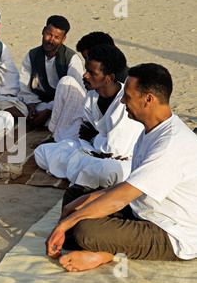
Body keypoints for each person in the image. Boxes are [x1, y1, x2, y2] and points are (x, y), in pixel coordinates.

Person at [46, 63, 197, 272]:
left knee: (85, 230)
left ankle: (105, 254)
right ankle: (99, 242)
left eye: (127, 96)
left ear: (148, 99)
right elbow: (129, 185)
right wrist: (80, 204)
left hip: (171, 231)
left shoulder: (171, 143)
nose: (123, 101)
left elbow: (120, 197)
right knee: (75, 196)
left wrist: (68, 222)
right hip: (142, 209)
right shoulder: (150, 131)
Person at [34, 44, 144, 189]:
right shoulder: (92, 94)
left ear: (109, 77)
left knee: (109, 171)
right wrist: (94, 139)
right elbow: (84, 133)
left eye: (92, 73)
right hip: (92, 153)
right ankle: (83, 175)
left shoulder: (125, 103)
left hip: (118, 160)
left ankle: (81, 175)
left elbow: (115, 150)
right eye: (86, 70)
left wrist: (93, 137)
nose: (85, 75)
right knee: (42, 152)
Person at [18, 15, 86, 142]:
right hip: (38, 103)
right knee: (11, 103)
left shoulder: (71, 58)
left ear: (63, 39)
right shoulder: (32, 55)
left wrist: (49, 110)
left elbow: (76, 94)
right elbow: (24, 87)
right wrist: (31, 107)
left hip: (61, 106)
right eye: (49, 34)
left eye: (57, 37)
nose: (51, 40)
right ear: (43, 31)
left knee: (72, 115)